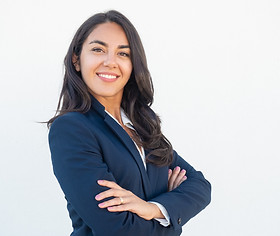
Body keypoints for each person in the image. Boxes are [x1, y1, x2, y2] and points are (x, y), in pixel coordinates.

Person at [48, 10, 211, 236]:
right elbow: (117, 229)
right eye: (98, 49)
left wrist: (150, 208)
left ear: (133, 64)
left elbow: (200, 186)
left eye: (123, 54)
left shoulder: (143, 123)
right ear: (77, 60)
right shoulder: (71, 129)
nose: (110, 62)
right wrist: (170, 216)